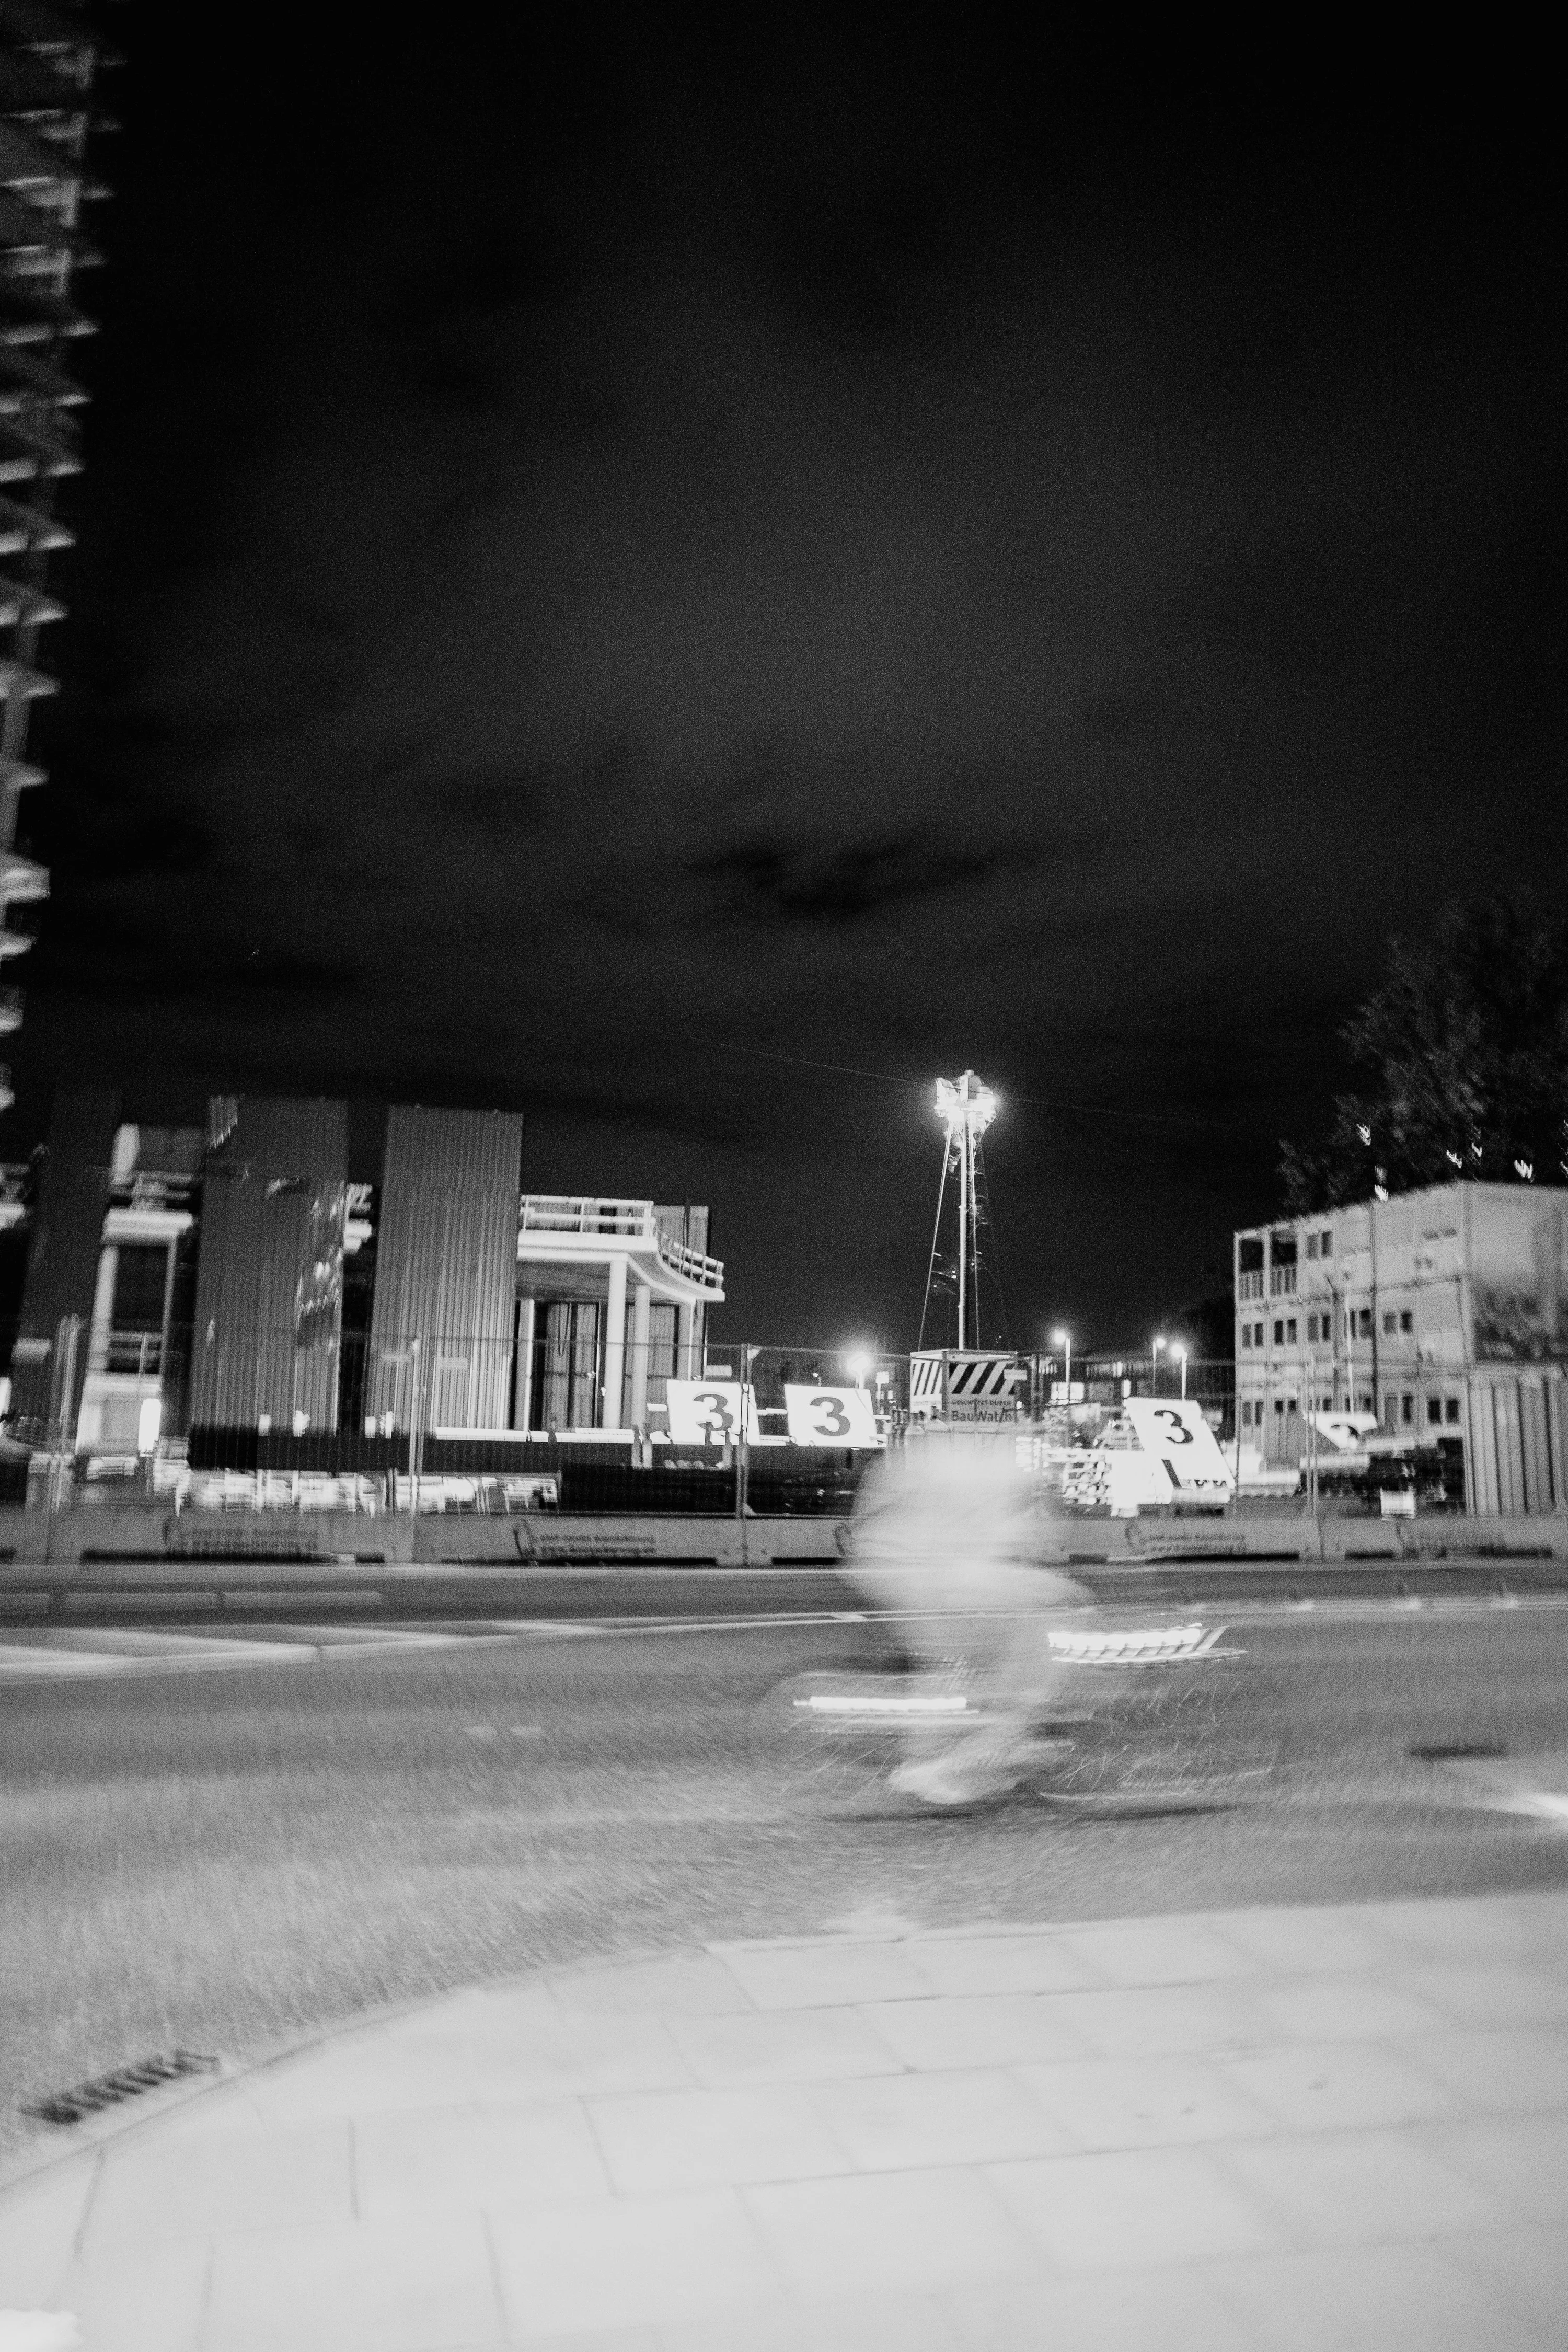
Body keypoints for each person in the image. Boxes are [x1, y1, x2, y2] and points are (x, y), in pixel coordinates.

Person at [841, 1427, 1090, 1806]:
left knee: (952, 1659)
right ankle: (990, 1746)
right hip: (935, 1577)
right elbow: (1019, 1538)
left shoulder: (926, 1460)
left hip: (892, 1573)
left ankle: (936, 1753)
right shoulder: (996, 1474)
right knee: (1059, 1614)